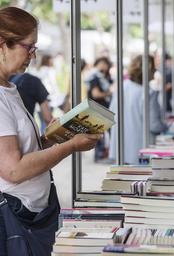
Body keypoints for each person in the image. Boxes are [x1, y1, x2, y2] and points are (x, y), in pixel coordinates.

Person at [0, 7, 101, 255]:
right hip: (17, 217)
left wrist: (51, 137)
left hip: (33, 214)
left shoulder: (9, 89)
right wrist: (69, 146)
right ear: (3, 44)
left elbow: (24, 150)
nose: (33, 56)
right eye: (29, 47)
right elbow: (13, 169)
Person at [109, 55, 168, 164]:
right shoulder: (148, 93)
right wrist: (166, 126)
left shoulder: (121, 87)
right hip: (140, 150)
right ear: (148, 70)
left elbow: (110, 114)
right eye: (153, 67)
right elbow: (154, 125)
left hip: (120, 149)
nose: (155, 70)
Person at [85, 56, 113, 162]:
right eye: (100, 63)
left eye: (104, 64)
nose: (102, 66)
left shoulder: (108, 78)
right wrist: (109, 93)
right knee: (98, 134)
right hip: (96, 108)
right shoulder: (94, 78)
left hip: (106, 109)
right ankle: (99, 155)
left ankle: (107, 153)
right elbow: (95, 94)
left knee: (107, 133)